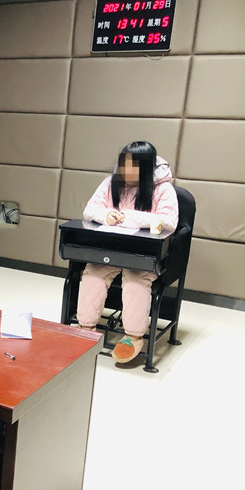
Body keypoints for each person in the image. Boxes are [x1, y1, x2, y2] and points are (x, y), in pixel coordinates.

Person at [77, 141, 179, 363]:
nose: (126, 170)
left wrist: (128, 217)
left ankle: (133, 336)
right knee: (93, 273)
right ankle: (86, 328)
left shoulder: (163, 189)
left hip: (144, 254)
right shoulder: (110, 183)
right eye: (124, 164)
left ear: (146, 167)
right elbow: (90, 209)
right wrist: (106, 216)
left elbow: (169, 222)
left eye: (133, 166)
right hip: (113, 249)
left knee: (135, 280)